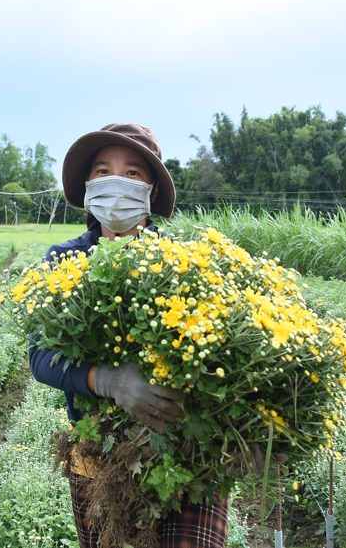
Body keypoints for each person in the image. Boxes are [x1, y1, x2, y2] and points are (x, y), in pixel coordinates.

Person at [29, 123, 230, 548]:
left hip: (187, 451)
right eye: (102, 171)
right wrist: (108, 381)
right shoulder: (65, 259)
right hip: (97, 452)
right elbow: (40, 358)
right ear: (86, 186)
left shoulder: (184, 261)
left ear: (152, 190)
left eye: (133, 173)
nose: (116, 181)